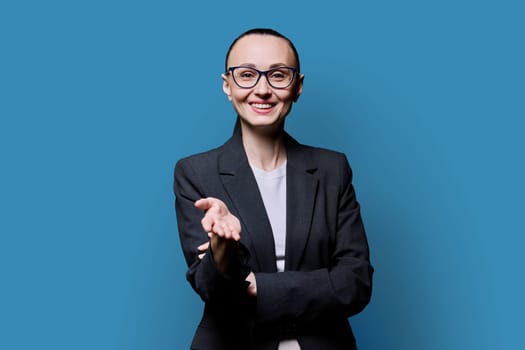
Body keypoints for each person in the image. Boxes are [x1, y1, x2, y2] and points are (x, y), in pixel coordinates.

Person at [174, 28, 373, 350]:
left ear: (297, 87)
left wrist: (256, 287)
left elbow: (356, 283)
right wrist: (222, 250)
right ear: (227, 85)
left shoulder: (332, 169)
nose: (262, 89)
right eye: (247, 75)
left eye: (278, 75)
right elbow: (211, 289)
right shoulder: (195, 173)